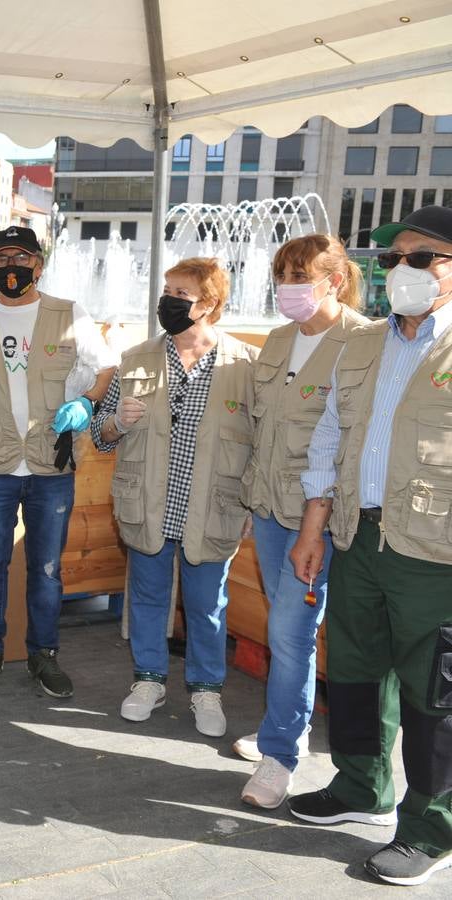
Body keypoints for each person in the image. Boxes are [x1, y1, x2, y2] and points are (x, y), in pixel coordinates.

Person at [286, 205, 452, 887]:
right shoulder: (363, 343)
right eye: (391, 259)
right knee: (354, 670)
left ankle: (431, 827)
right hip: (359, 533)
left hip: (434, 551)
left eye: (420, 258)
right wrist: (311, 525)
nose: (400, 271)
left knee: (433, 694)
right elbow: (331, 435)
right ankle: (361, 786)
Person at [90, 257, 257, 738]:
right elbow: (102, 437)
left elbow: (260, 440)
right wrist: (118, 421)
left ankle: (206, 689)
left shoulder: (245, 365)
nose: (168, 299)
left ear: (209, 303)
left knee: (208, 603)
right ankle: (149, 681)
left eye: (180, 293)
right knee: (147, 596)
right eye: (167, 289)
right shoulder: (137, 357)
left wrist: (249, 501)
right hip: (148, 502)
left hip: (213, 504)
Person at [0, 226, 117, 698]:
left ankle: (44, 655)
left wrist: (87, 403)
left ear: (38, 265)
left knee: (46, 568)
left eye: (20, 258)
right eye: (1, 258)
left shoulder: (68, 314)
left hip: (50, 465)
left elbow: (106, 367)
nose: (10, 267)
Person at [233, 235, 369, 810]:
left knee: (290, 633)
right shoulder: (280, 339)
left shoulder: (364, 342)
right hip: (268, 510)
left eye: (300, 276)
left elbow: (345, 444)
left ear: (334, 280)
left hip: (318, 518)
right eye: (281, 275)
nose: (287, 287)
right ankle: (287, 725)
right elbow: (262, 430)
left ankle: (281, 753)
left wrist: (314, 527)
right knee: (287, 631)